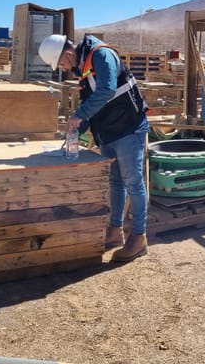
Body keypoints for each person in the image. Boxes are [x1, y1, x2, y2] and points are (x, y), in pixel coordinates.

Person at [38, 33, 150, 263]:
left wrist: (79, 115)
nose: (64, 68)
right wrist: (76, 131)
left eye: (61, 63)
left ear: (68, 53)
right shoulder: (84, 71)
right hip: (108, 133)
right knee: (115, 183)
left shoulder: (102, 55)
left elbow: (107, 90)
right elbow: (92, 105)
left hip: (128, 128)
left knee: (133, 183)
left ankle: (138, 237)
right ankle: (114, 230)